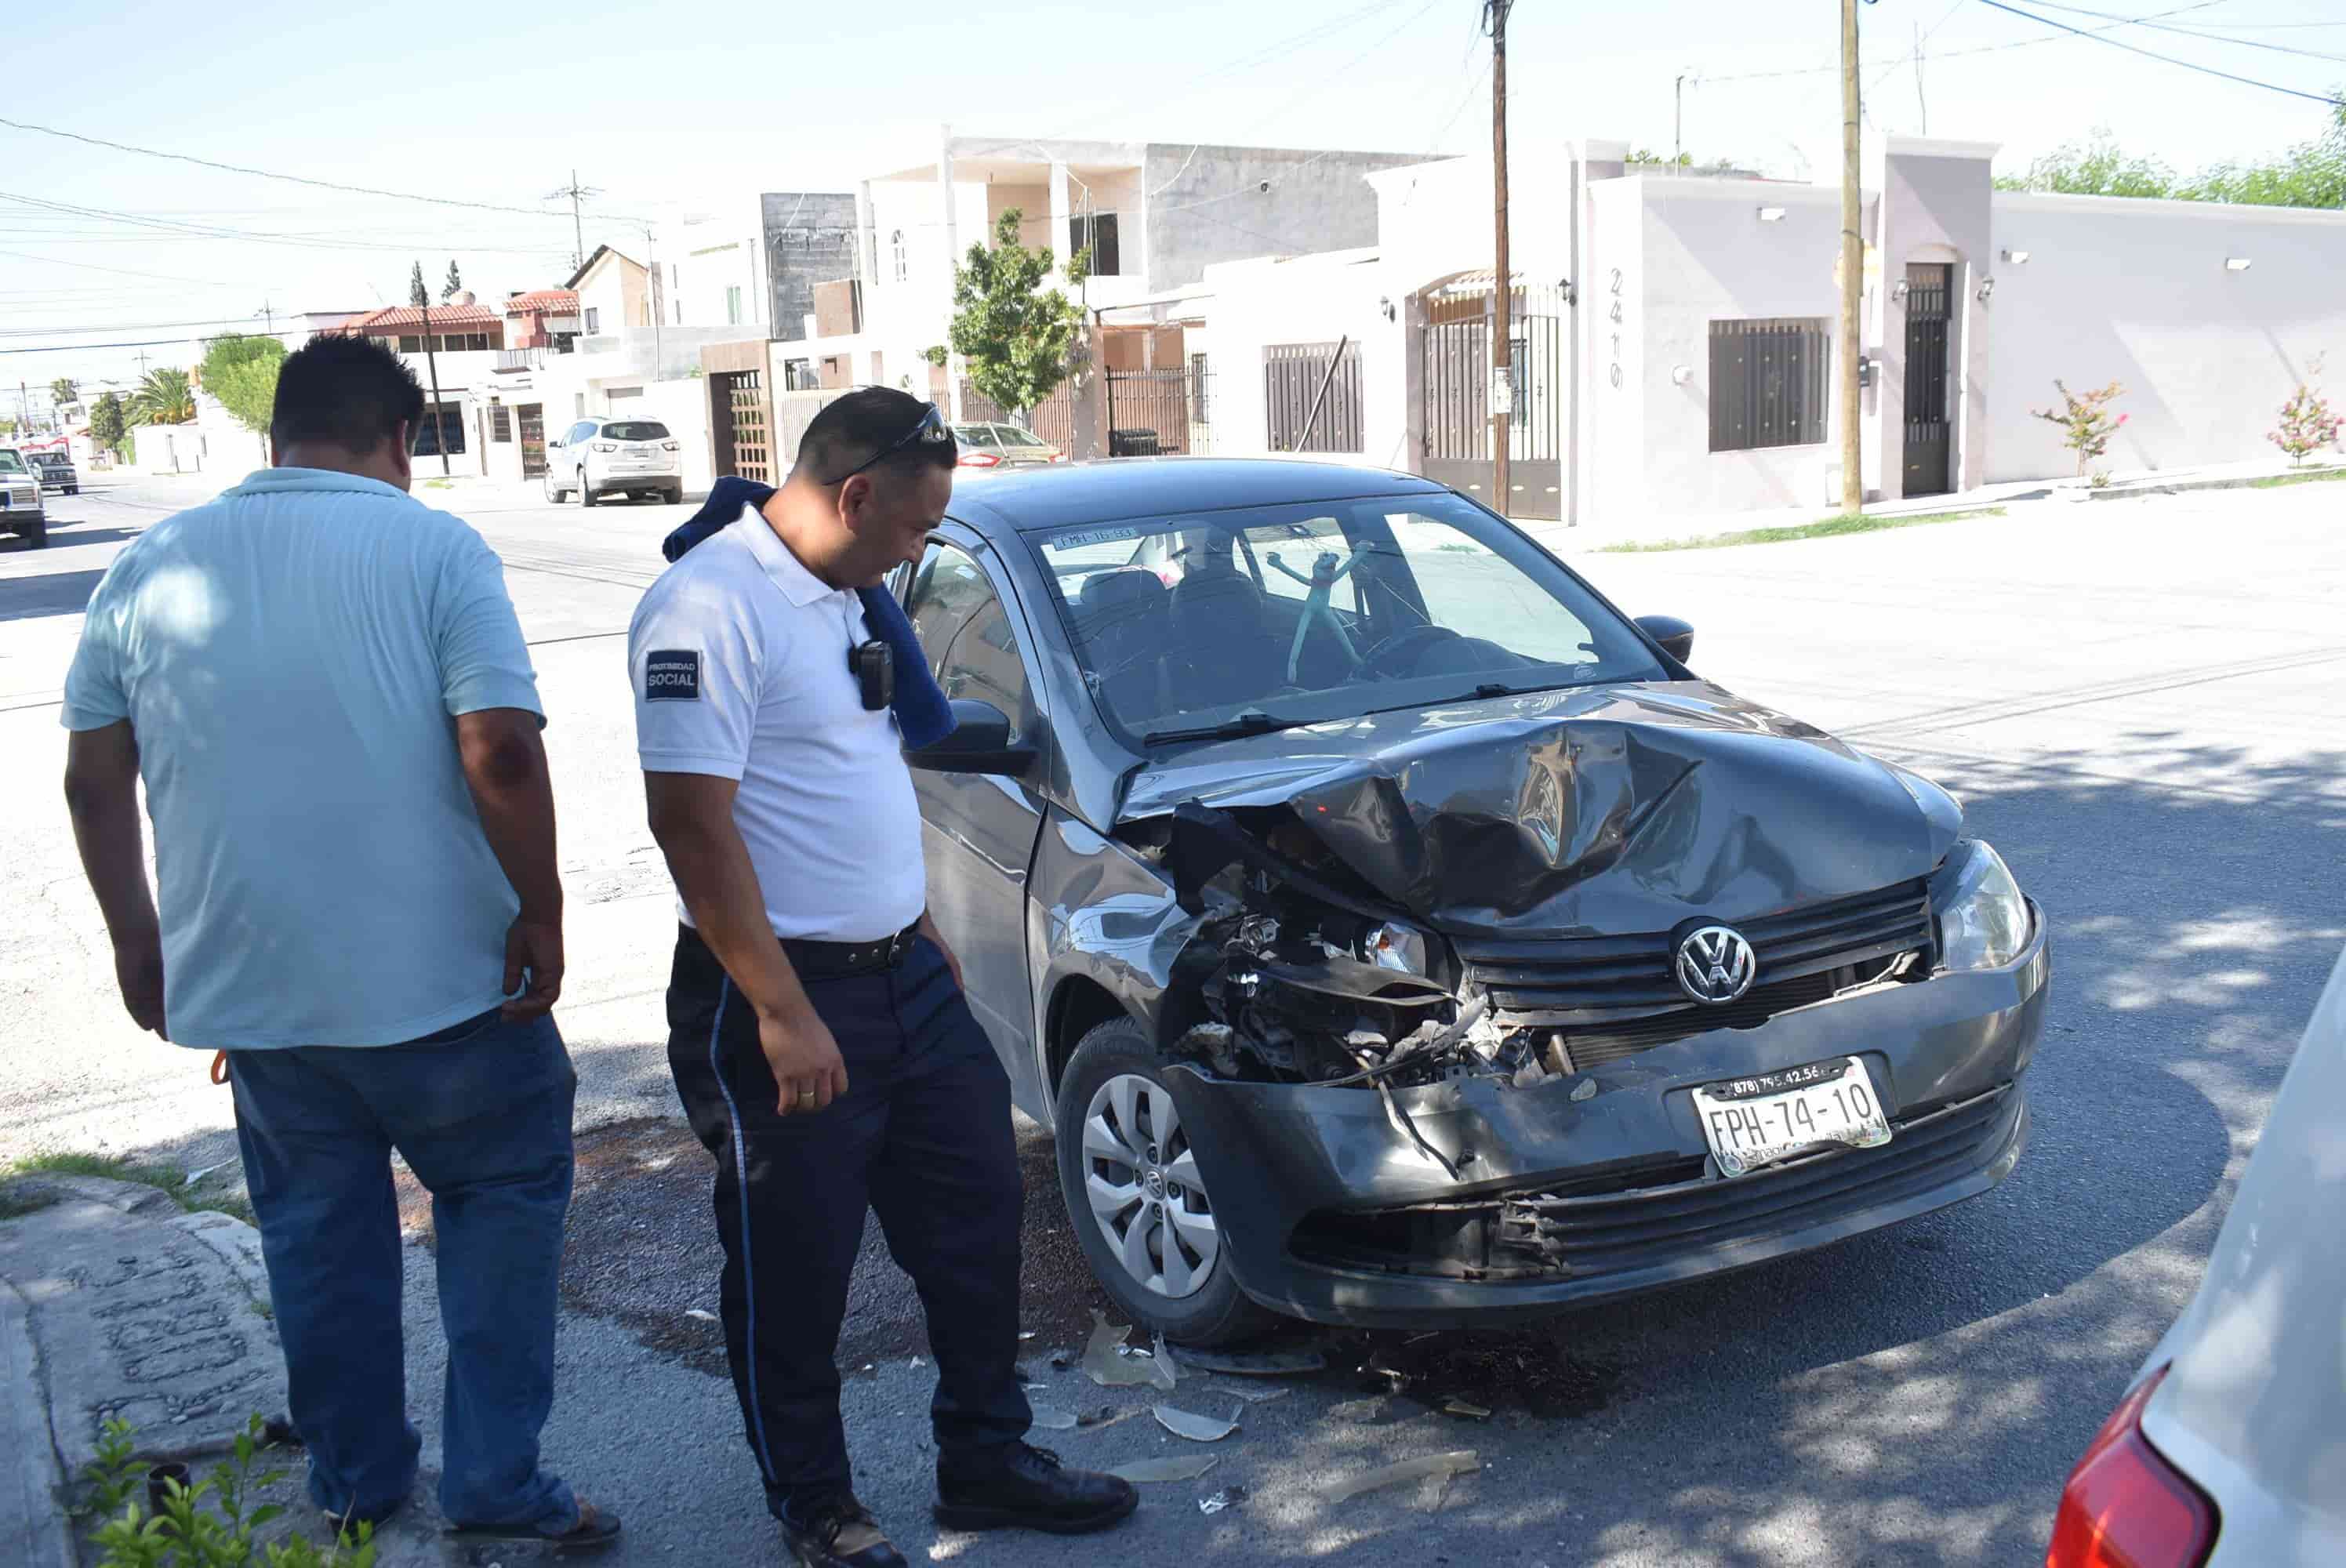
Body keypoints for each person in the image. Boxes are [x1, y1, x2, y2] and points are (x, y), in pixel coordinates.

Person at [58, 334, 618, 1553]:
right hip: (455, 991)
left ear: (276, 436)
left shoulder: (147, 563)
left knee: (321, 1242)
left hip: (263, 1001)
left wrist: (134, 940)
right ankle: (496, 1482)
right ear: (400, 438)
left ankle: (360, 1482)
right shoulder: (435, 548)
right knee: (500, 1209)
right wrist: (542, 908)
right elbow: (502, 749)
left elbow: (93, 783)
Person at [631, 388, 1137, 1568]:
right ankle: (818, 1506)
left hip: (905, 972)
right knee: (792, 1263)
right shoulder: (708, 608)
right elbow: (690, 826)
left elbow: (851, 775)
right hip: (779, 997)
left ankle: (986, 1461)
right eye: (919, 523)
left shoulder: (846, 590)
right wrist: (781, 1010)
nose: (926, 547)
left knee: (977, 1219)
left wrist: (912, 921)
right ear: (853, 493)